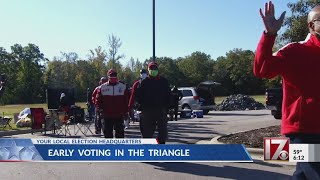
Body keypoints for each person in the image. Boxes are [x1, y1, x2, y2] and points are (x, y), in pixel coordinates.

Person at [254, 2, 320, 179]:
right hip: (304, 132)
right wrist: (270, 35)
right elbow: (262, 69)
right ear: (311, 26)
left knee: (303, 175)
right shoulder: (295, 51)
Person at [135, 62, 171, 144]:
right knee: (147, 133)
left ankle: (160, 148)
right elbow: (138, 96)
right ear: (148, 70)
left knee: (163, 133)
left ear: (158, 70)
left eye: (155, 69)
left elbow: (168, 95)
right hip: (147, 111)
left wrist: (168, 109)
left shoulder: (163, 81)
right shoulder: (143, 82)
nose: (153, 70)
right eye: (151, 69)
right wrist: (140, 107)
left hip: (161, 110)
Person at [96, 69, 129, 138]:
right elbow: (98, 100)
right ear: (108, 76)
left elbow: (126, 101)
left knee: (120, 136)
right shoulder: (102, 87)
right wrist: (100, 110)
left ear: (117, 76)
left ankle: (119, 148)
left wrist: (126, 112)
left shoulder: (122, 87)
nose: (113, 77)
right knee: (108, 135)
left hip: (119, 115)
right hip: (107, 115)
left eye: (114, 75)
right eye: (111, 75)